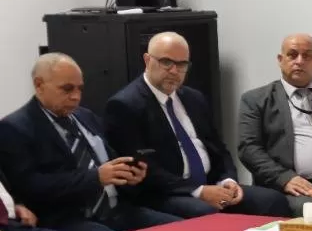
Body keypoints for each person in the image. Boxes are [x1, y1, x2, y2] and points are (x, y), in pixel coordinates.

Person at [104, 33, 292, 219]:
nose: (174, 71)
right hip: (165, 193)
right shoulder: (125, 105)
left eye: (182, 65)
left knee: (273, 200)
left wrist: (228, 180)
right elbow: (145, 171)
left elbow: (218, 149)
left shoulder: (194, 98)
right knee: (206, 213)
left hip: (211, 185)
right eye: (166, 62)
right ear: (147, 60)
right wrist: (198, 191)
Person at [0, 54, 180, 231]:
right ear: (39, 85)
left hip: (118, 208)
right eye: (67, 89)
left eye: (80, 89)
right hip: (71, 217)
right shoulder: (15, 127)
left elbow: (109, 161)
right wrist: (95, 177)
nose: (76, 97)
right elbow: (31, 187)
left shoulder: (85, 116)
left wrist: (128, 175)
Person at [236, 34, 312, 215]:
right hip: (297, 188)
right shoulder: (256, 99)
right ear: (280, 60)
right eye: (292, 55)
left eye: (307, 56)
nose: (299, 61)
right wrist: (284, 178)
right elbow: (248, 149)